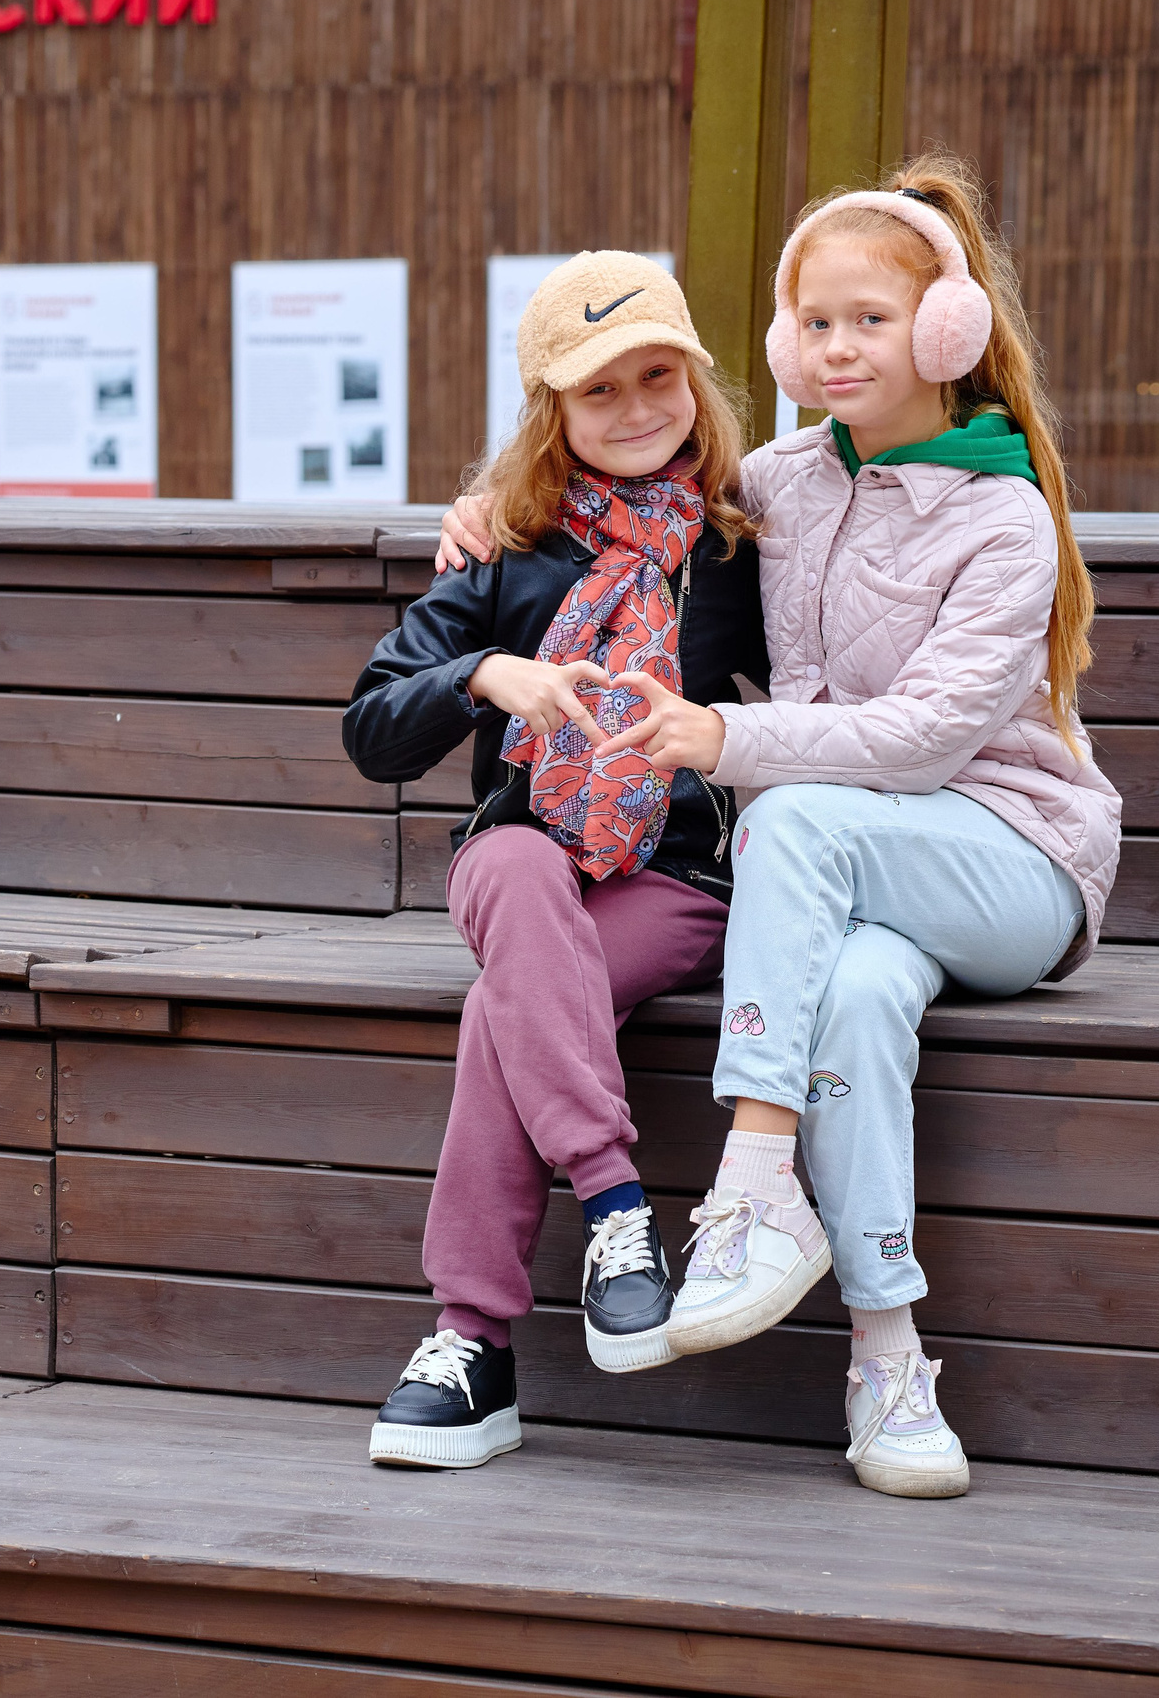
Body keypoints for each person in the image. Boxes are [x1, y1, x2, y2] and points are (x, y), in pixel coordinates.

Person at [434, 154, 1121, 1497]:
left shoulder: (1004, 516)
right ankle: (885, 1348)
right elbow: (620, 492)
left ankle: (752, 1182)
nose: (838, 346)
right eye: (815, 322)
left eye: (870, 318)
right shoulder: (787, 482)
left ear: (947, 333)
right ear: (777, 342)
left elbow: (922, 739)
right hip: (859, 889)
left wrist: (729, 741)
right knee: (856, 993)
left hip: (1010, 863)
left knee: (791, 817)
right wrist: (479, 514)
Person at [343, 252, 770, 1469]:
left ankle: (470, 1345)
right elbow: (369, 729)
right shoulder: (502, 553)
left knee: (504, 1011)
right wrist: (486, 674)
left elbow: (815, 710)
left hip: (673, 884)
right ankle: (619, 1209)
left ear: (696, 379)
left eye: (658, 376)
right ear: (551, 411)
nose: (637, 409)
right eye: (599, 391)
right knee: (524, 884)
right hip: (514, 858)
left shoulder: (739, 552)